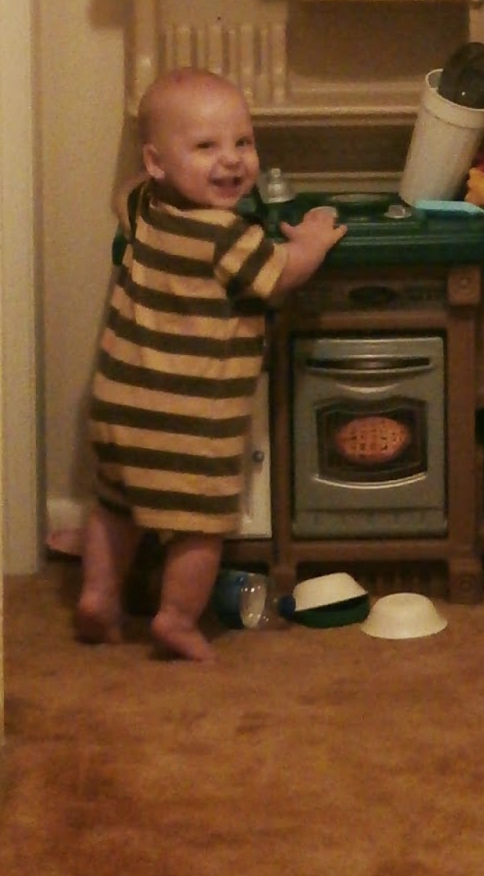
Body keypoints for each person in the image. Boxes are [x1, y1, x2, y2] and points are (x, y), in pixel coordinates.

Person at [75, 67, 346, 662]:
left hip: (120, 404)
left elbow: (123, 193)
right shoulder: (227, 238)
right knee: (200, 524)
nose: (231, 160)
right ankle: (175, 619)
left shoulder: (145, 207)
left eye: (242, 141)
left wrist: (166, 172)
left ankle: (98, 595)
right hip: (191, 418)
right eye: (205, 146)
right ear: (156, 160)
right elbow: (281, 275)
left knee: (115, 506)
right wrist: (312, 241)